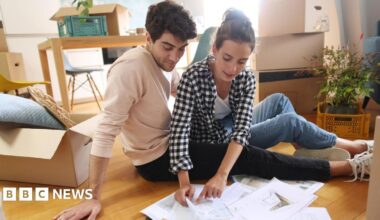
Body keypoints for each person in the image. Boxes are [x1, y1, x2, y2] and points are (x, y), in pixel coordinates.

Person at [168, 8, 374, 206]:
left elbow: (242, 129)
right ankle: (356, 147)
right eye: (227, 58)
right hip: (218, 141)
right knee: (290, 122)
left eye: (242, 61)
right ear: (214, 49)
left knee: (279, 99)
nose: (233, 69)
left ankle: (303, 147)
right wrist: (187, 182)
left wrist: (222, 176)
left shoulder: (245, 77)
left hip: (233, 130)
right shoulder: (192, 77)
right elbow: (179, 131)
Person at [54, 1, 197, 219]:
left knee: (233, 132)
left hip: (171, 140)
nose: (174, 57)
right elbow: (106, 131)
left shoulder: (163, 64)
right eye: (167, 47)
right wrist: (94, 197)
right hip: (157, 158)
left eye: (181, 49)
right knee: (240, 152)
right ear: (148, 38)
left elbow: (183, 93)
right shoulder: (131, 68)